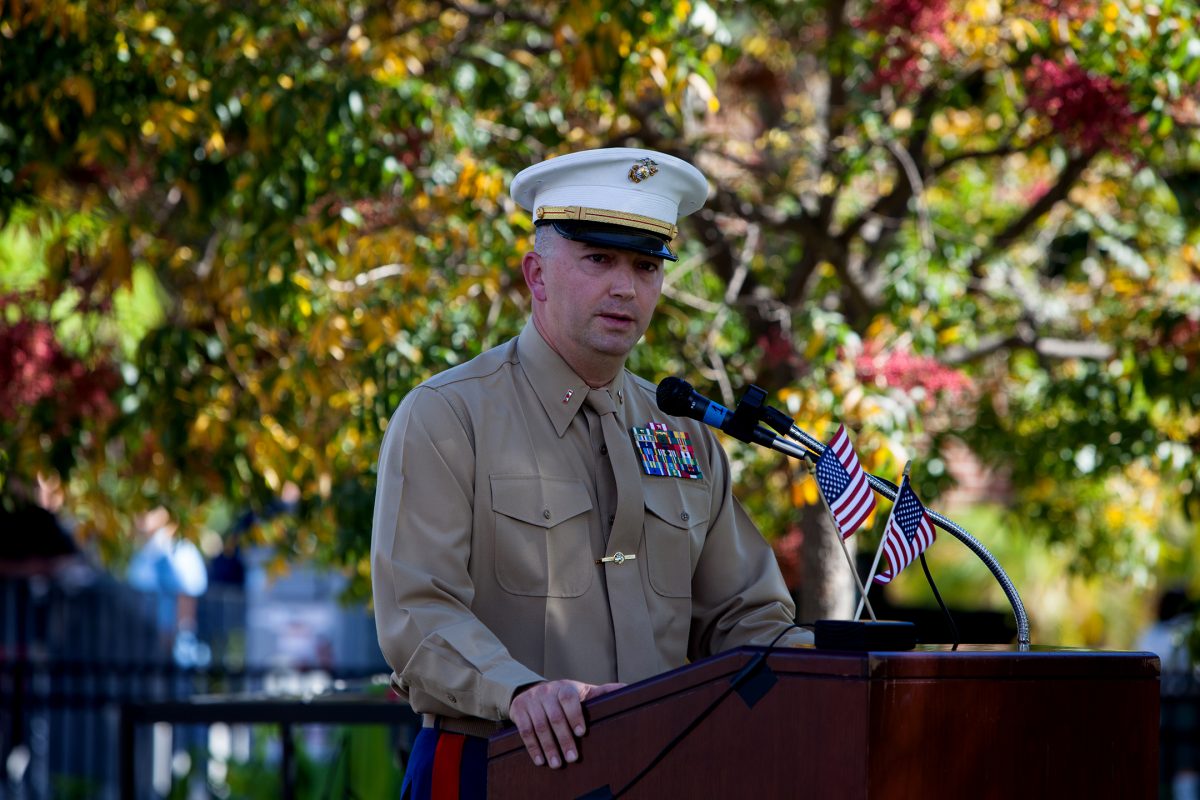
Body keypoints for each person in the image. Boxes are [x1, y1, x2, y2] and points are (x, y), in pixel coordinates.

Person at [372, 147, 811, 798]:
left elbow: (745, 616)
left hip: (660, 773)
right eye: (599, 259)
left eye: (645, 265)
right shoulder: (447, 417)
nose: (625, 288)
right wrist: (519, 691)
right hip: (498, 765)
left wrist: (824, 666)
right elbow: (417, 612)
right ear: (537, 275)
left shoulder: (685, 432)